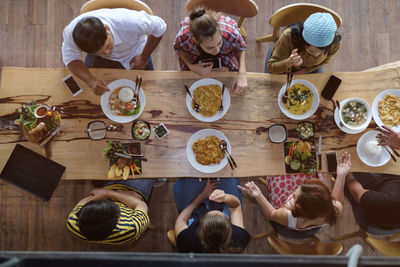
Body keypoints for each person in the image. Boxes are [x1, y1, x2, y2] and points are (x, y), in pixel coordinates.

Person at [239, 152, 351, 234]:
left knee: (276, 176)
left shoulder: (287, 215)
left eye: (294, 197)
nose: (291, 195)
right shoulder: (335, 209)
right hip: (310, 221)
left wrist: (259, 196)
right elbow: (338, 201)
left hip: (289, 219)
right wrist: (341, 176)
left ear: (301, 209)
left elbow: (271, 214)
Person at [62, 8, 167, 95]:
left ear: (107, 28)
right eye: (101, 52)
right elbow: (71, 58)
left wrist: (144, 56)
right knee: (90, 93)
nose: (107, 53)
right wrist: (92, 82)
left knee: (151, 90)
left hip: (136, 53)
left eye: (107, 46)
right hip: (99, 60)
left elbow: (160, 26)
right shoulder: (71, 34)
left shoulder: (132, 22)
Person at [174, 8, 247, 95]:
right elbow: (178, 49)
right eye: (210, 48)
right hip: (194, 59)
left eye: (219, 43)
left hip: (225, 56)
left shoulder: (231, 32)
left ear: (220, 31)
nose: (217, 50)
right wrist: (190, 65)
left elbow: (241, 47)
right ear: (196, 41)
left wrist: (242, 73)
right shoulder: (184, 36)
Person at [66, 179, 156, 244]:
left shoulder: (74, 221)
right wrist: (110, 193)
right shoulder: (131, 228)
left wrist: (108, 193)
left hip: (108, 189)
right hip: (133, 191)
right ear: (118, 220)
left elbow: (87, 200)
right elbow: (140, 203)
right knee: (150, 169)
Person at [174, 178, 250, 253]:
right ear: (230, 228)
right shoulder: (237, 242)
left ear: (199, 229)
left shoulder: (188, 242)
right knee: (229, 177)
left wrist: (202, 196)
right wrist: (225, 197)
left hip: (195, 215)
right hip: (223, 212)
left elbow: (181, 220)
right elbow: (235, 207)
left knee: (189, 178)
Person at [266, 12, 342, 74]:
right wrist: (289, 62)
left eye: (322, 51)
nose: (316, 55)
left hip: (309, 69)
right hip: (284, 69)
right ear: (304, 42)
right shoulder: (287, 37)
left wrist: (304, 71)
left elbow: (326, 60)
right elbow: (271, 68)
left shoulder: (335, 42)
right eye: (311, 51)